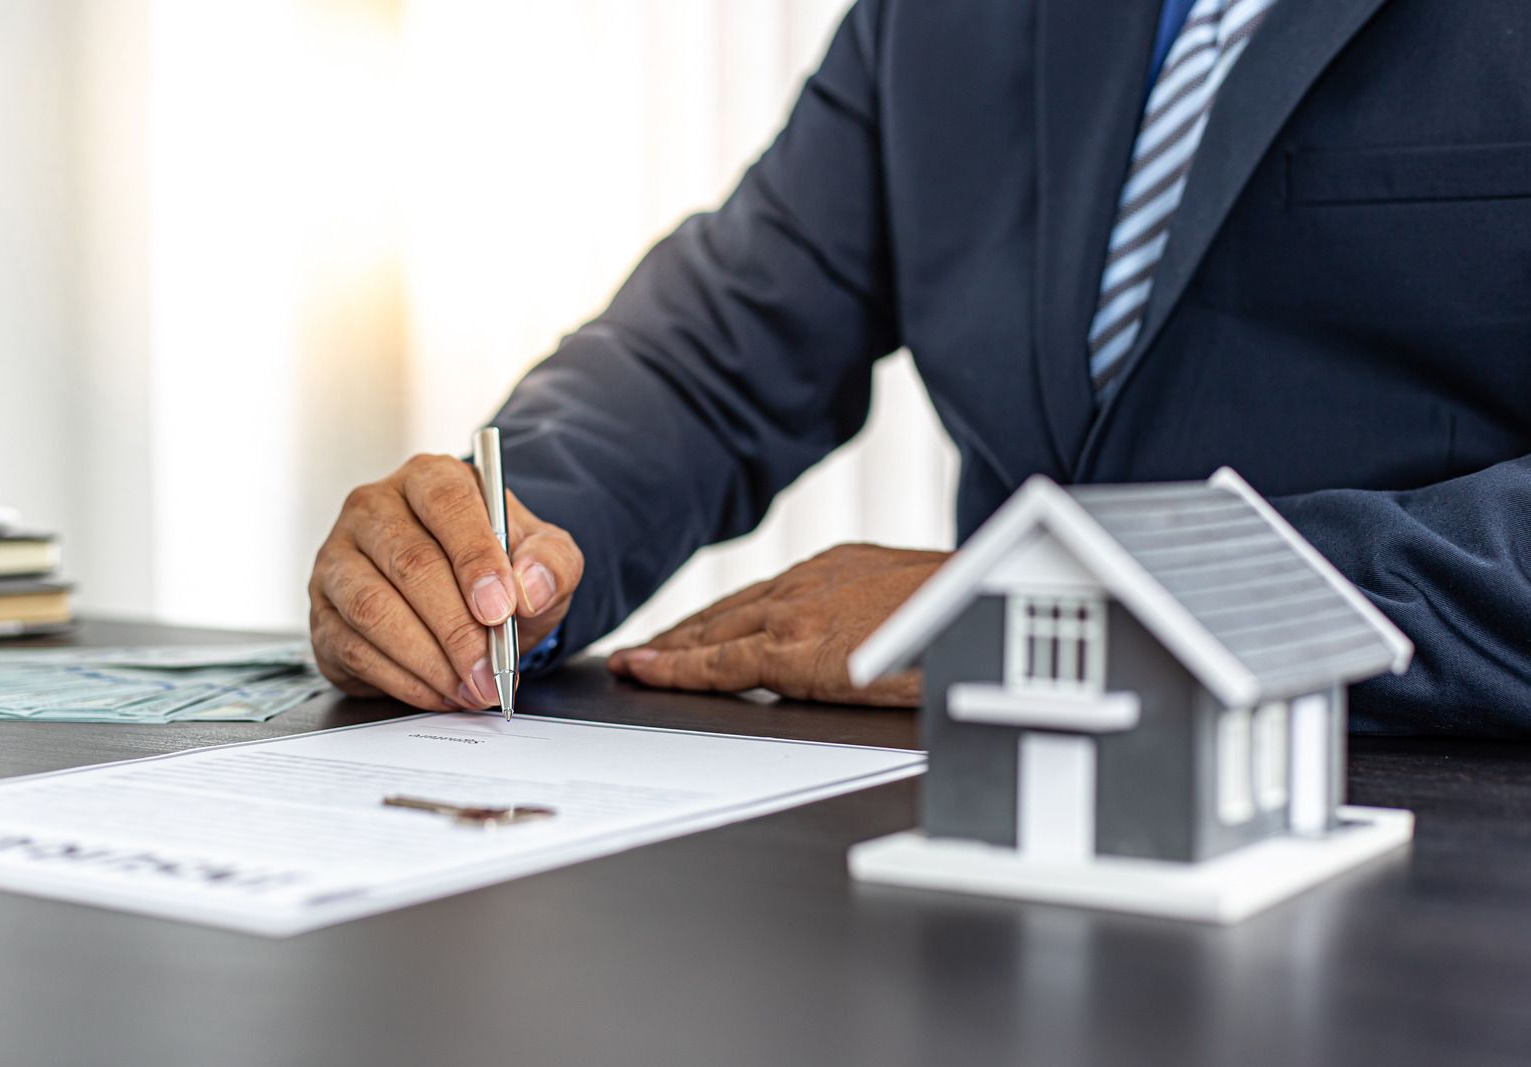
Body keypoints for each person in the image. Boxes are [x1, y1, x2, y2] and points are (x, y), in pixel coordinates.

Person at [309, 0, 1531, 734]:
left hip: (1419, 858)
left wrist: (1065, 612)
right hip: (978, 855)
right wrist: (500, 545)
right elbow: (711, 352)